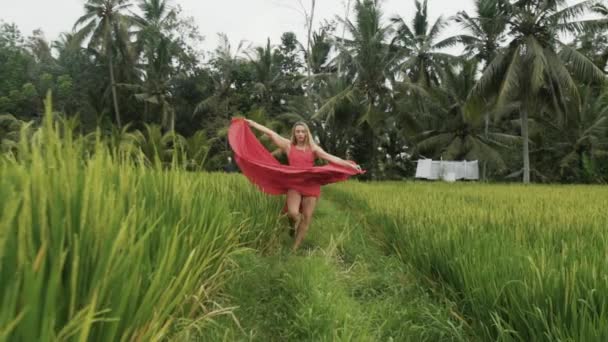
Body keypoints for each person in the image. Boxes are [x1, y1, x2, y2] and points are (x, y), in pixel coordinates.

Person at [241, 119, 362, 251]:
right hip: (294, 184)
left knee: (306, 218)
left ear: (307, 134)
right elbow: (271, 133)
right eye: (298, 131)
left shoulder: (314, 149)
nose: (300, 134)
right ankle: (293, 226)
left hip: (311, 185)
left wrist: (350, 165)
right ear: (294, 133)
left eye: (303, 131)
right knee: (293, 213)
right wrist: (253, 124)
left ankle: (294, 248)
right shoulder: (288, 146)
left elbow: (332, 158)